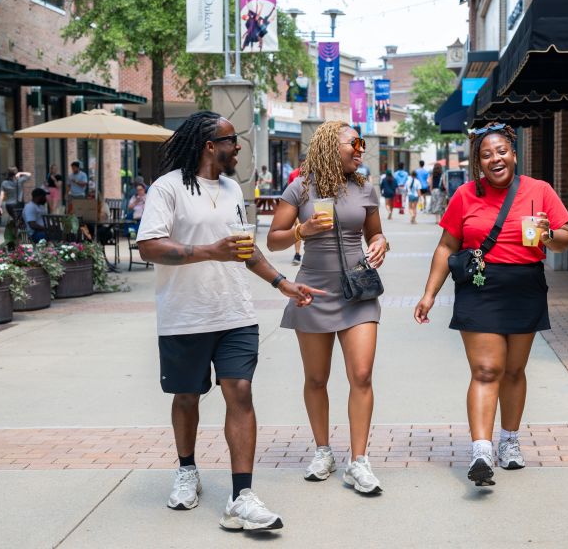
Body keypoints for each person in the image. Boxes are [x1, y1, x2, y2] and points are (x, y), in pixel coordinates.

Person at [137, 111, 324, 531]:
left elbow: (244, 248)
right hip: (185, 316)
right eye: (230, 139)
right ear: (209, 146)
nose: (237, 146)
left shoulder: (232, 189)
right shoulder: (167, 188)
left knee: (239, 392)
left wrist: (282, 283)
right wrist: (209, 251)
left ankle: (242, 496)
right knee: (187, 396)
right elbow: (149, 246)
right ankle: (187, 469)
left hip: (235, 313)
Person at [414, 122, 568, 487]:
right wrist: (429, 294)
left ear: (514, 155)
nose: (495, 159)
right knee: (487, 370)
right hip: (480, 286)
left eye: (501, 151)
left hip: (525, 287)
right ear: (478, 162)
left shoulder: (540, 190)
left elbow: (566, 238)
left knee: (514, 371)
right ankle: (481, 451)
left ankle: (510, 441)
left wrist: (548, 235)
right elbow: (446, 246)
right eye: (486, 155)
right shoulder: (465, 196)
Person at [266, 121, 389, 495]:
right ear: (329, 146)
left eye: (362, 143)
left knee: (361, 375)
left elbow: (375, 233)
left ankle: (359, 461)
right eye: (354, 143)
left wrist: (380, 243)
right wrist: (302, 231)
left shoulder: (364, 187)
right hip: (313, 292)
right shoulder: (300, 188)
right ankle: (323, 451)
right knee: (316, 379)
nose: (360, 149)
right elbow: (273, 241)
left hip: (357, 292)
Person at [288, 154, 306, 266]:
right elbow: (289, 192)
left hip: (309, 205)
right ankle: (297, 254)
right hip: (297, 206)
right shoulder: (293, 174)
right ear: (299, 162)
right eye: (302, 162)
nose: (304, 165)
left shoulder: (313, 174)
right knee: (298, 229)